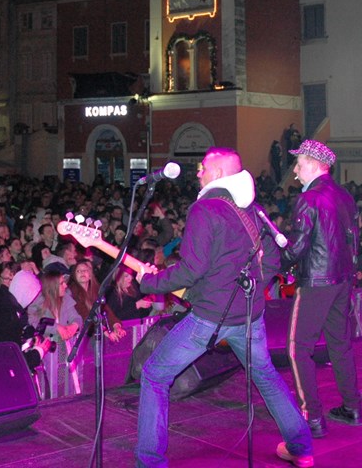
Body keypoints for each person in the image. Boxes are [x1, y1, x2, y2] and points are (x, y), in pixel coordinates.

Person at [134, 147, 312, 468]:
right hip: (248, 315)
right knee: (266, 376)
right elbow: (273, 257)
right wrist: (254, 287)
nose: (198, 172)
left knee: (155, 376)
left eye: (203, 167)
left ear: (217, 173)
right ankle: (300, 446)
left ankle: (150, 462)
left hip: (209, 318)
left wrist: (148, 282)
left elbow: (190, 270)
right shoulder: (252, 210)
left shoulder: (205, 210)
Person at [282, 139, 361, 437]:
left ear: (314, 166)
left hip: (316, 281)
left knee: (298, 349)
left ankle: (311, 416)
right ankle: (352, 407)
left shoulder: (309, 198)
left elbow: (299, 247)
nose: (295, 172)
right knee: (340, 345)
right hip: (342, 280)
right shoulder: (344, 195)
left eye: (299, 165)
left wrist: (275, 261)